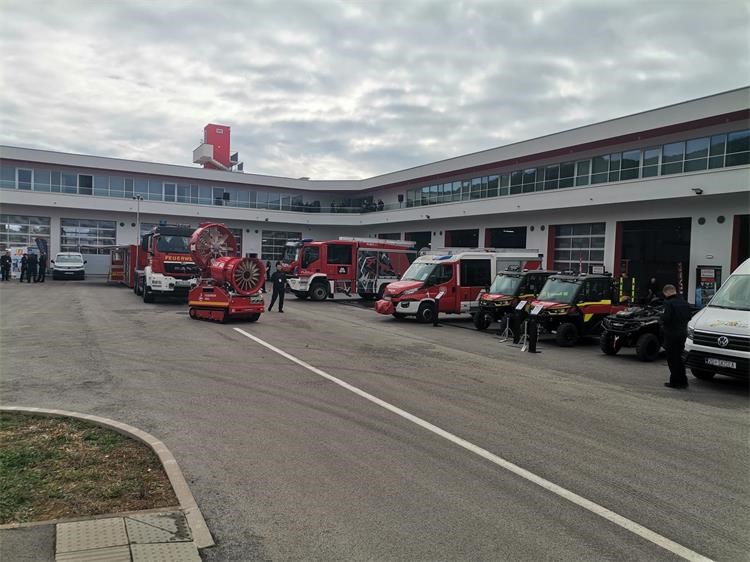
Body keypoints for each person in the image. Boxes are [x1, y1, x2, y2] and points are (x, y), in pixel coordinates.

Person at [661, 284, 692, 389]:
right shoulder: (684, 302)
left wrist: (661, 320)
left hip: (671, 334)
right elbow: (689, 317)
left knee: (672, 359)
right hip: (683, 334)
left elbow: (666, 318)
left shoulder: (668, 303)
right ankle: (683, 381)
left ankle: (675, 382)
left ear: (667, 292)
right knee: (679, 358)